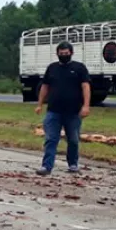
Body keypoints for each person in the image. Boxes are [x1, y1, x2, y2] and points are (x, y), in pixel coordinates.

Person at [35, 41, 91, 175]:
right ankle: (46, 166)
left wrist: (86, 105)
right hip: (54, 111)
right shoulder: (52, 68)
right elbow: (45, 87)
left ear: (71, 53)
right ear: (57, 54)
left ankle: (73, 164)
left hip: (73, 112)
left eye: (66, 54)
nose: (64, 56)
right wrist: (39, 104)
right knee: (51, 139)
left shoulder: (79, 68)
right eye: (61, 54)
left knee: (73, 139)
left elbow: (85, 87)